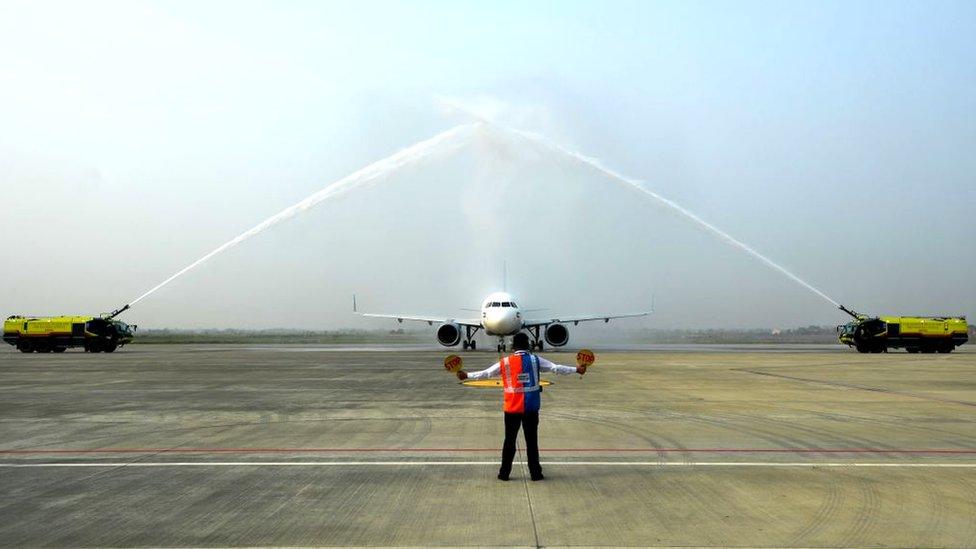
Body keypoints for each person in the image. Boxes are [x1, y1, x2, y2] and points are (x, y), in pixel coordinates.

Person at [456, 332, 586, 481]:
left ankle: (504, 473)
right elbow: (556, 368)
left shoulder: (505, 362)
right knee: (532, 442)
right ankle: (535, 474)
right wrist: (577, 369)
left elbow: (486, 374)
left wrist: (467, 375)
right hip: (531, 408)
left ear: (513, 346)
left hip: (512, 409)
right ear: (528, 345)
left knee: (509, 441)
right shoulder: (535, 360)